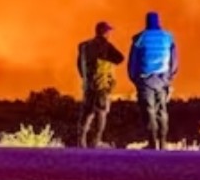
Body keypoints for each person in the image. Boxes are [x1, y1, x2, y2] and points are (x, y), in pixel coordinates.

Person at [127, 11, 178, 150]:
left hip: (145, 79)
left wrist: (134, 78)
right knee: (162, 110)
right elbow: (174, 60)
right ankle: (163, 142)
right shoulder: (168, 37)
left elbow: (133, 61)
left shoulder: (140, 38)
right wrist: (169, 77)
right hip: (162, 79)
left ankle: (152, 142)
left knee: (148, 111)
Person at [76, 21, 125, 148]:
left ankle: (81, 140)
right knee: (101, 112)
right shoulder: (106, 45)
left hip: (88, 84)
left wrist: (86, 77)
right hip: (102, 84)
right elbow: (120, 58)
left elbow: (79, 66)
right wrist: (106, 63)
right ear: (105, 32)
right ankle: (96, 141)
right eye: (109, 31)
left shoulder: (84, 46)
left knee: (87, 111)